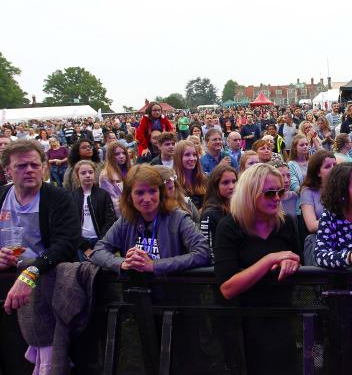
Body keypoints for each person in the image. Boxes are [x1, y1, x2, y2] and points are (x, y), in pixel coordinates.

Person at [214, 163, 301, 375]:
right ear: (249, 193)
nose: (277, 198)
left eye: (280, 191)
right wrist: (270, 259)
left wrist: (291, 262)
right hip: (244, 323)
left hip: (282, 316)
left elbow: (297, 259)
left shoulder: (287, 224)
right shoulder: (229, 227)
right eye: (270, 193)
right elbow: (227, 287)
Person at [0, 139, 79, 352]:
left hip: (46, 282)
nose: (29, 170)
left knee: (50, 348)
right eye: (21, 166)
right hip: (7, 281)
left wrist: (31, 272)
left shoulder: (59, 198)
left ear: (44, 167)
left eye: (35, 165)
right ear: (8, 169)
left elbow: (66, 244)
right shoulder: (2, 197)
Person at [90, 164, 210, 273]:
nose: (147, 199)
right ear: (129, 196)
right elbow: (98, 251)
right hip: (136, 292)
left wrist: (154, 265)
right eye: (139, 193)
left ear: (161, 193)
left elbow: (203, 253)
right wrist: (122, 263)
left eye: (152, 191)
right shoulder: (126, 220)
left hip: (172, 291)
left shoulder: (178, 219)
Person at [71, 160, 116, 259]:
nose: (87, 175)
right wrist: (84, 247)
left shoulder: (103, 195)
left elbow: (110, 220)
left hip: (100, 240)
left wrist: (101, 243)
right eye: (83, 173)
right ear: (77, 176)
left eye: (90, 172)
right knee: (83, 270)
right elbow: (70, 225)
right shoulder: (72, 197)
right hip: (81, 243)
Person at [199, 164, 237, 262]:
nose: (232, 186)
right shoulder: (210, 214)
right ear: (215, 186)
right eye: (225, 183)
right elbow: (209, 252)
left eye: (234, 181)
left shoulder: (239, 208)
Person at [300, 150, 336, 235]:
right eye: (327, 166)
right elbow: (311, 226)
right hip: (320, 238)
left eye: (335, 165)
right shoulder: (307, 192)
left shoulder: (341, 188)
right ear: (318, 172)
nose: (333, 169)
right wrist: (338, 220)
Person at [174, 140, 208, 209]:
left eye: (194, 155)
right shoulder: (173, 183)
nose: (192, 158)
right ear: (178, 158)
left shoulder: (204, 179)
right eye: (187, 155)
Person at [99, 142, 130, 218]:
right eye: (117, 154)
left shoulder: (130, 170)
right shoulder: (105, 175)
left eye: (123, 153)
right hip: (122, 216)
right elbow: (113, 202)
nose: (122, 156)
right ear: (110, 156)